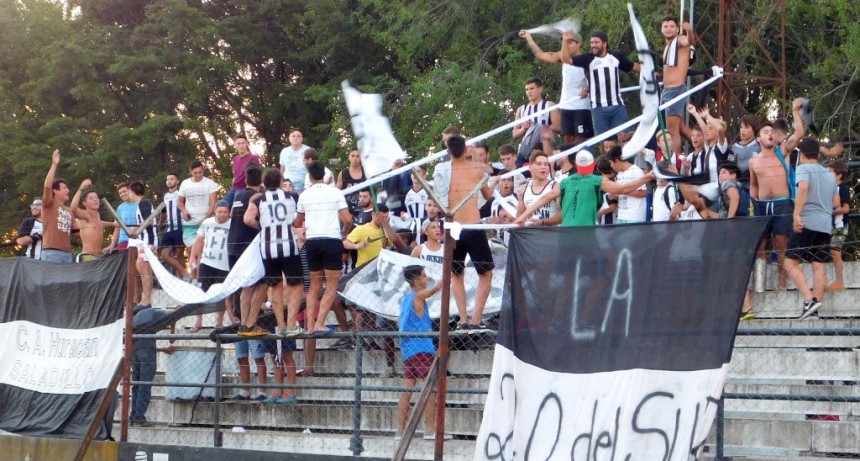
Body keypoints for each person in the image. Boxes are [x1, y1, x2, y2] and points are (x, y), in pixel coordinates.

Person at [293, 160, 353, 374]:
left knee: (314, 285)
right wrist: (343, 232)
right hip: (331, 239)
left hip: (313, 241)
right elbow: (348, 218)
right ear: (325, 175)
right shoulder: (335, 193)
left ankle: (310, 326)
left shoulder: (304, 195)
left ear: (309, 176)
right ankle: (319, 323)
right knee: (332, 285)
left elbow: (297, 222)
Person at [515, 150, 655, 227]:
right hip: (587, 232)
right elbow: (623, 189)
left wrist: (522, 217)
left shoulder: (566, 182)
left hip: (567, 232)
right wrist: (648, 177)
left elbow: (545, 197)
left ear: (577, 165)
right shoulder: (597, 180)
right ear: (592, 165)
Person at [243, 169, 305, 338]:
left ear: (264, 183)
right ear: (280, 182)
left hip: (268, 248)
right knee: (296, 285)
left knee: (275, 286)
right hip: (289, 247)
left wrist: (262, 226)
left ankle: (281, 326)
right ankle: (291, 325)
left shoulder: (258, 200)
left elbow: (248, 219)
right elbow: (297, 220)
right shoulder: (292, 197)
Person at [784, 138, 838, 319]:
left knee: (789, 262)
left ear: (802, 153)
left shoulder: (803, 168)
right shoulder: (830, 175)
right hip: (825, 224)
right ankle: (814, 310)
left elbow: (803, 188)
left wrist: (796, 214)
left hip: (806, 221)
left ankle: (809, 300)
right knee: (818, 264)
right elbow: (835, 202)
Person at [445, 135, 494, 329]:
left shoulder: (443, 170)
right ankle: (475, 320)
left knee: (457, 274)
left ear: (448, 151)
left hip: (453, 227)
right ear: (466, 150)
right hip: (472, 226)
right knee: (485, 273)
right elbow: (488, 195)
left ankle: (464, 319)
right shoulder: (476, 169)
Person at [396, 265, 447, 440]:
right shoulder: (418, 296)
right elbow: (433, 291)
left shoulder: (404, 299)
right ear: (416, 280)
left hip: (407, 349)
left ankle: (400, 430)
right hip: (422, 348)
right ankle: (430, 429)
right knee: (429, 388)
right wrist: (444, 280)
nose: (427, 278)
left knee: (407, 388)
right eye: (424, 276)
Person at [520, 30, 592, 145]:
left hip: (582, 106)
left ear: (578, 44)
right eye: (565, 42)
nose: (566, 46)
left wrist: (587, 90)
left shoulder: (587, 59)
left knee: (581, 140)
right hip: (566, 106)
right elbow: (541, 55)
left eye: (570, 43)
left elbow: (597, 80)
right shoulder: (561, 56)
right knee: (568, 140)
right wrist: (529, 37)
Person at [749, 119, 798, 291]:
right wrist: (752, 205)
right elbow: (753, 184)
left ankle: (782, 283)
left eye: (772, 131)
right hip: (762, 205)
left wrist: (795, 112)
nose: (770, 134)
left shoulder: (782, 151)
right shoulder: (753, 161)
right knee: (759, 244)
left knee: (781, 243)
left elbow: (799, 134)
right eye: (765, 132)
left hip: (782, 203)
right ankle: (759, 285)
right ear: (758, 139)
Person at [569, 31, 641, 137]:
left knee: (624, 137)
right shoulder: (587, 58)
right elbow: (566, 59)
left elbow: (634, 67)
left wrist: (653, 74)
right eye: (591, 42)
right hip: (598, 108)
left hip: (617, 106)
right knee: (605, 142)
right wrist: (565, 41)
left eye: (596, 42)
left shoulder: (615, 57)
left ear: (604, 44)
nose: (593, 45)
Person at [227, 164, 264, 334]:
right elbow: (250, 219)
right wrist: (261, 227)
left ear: (246, 180)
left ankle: (243, 321)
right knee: (256, 284)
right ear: (260, 180)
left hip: (232, 245)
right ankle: (249, 322)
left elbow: (231, 215)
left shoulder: (237, 194)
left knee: (243, 285)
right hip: (247, 246)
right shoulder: (258, 197)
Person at [189, 200, 236, 329]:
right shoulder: (207, 223)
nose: (222, 215)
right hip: (207, 262)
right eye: (220, 212)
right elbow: (199, 241)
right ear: (215, 210)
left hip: (225, 265)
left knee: (222, 294)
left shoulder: (233, 224)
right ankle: (198, 321)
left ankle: (219, 322)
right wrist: (193, 256)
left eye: (225, 212)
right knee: (201, 292)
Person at [130, 307, 175, 426]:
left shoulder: (135, 320)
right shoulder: (152, 312)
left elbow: (141, 345)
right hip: (147, 352)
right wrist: (172, 330)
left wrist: (162, 349)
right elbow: (172, 314)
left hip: (135, 352)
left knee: (136, 385)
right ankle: (139, 417)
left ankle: (133, 416)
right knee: (145, 385)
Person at [660, 16, 697, 153]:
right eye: (665, 26)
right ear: (661, 29)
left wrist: (689, 31)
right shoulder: (668, 46)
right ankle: (706, 146)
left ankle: (673, 161)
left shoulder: (679, 39)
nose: (668, 29)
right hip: (667, 90)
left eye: (671, 26)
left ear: (677, 29)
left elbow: (689, 41)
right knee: (680, 128)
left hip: (675, 90)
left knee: (672, 131)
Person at [512, 77, 561, 167]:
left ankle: (548, 165)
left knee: (541, 129)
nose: (528, 92)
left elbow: (559, 128)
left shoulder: (549, 105)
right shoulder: (521, 109)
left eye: (531, 88)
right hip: (527, 147)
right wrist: (523, 129)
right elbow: (514, 134)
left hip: (546, 144)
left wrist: (540, 128)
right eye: (527, 89)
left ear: (540, 89)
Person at [40, 149, 76, 263]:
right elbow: (47, 186)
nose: (68, 190)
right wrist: (54, 164)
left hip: (67, 254)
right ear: (55, 191)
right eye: (64, 188)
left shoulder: (69, 211)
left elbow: (77, 229)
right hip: (51, 253)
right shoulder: (48, 204)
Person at [178, 160, 220, 252]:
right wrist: (184, 211)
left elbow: (213, 204)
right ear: (190, 171)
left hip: (205, 223)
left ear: (203, 170)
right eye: (195, 173)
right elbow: (180, 202)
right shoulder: (185, 183)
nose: (198, 175)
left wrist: (205, 219)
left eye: (200, 172)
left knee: (204, 252)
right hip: (189, 224)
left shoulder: (210, 183)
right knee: (192, 253)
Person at [129, 180, 158, 311]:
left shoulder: (144, 203)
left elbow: (149, 220)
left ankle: (146, 301)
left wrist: (136, 229)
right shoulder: (141, 204)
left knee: (144, 269)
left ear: (132, 192)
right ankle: (145, 300)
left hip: (148, 241)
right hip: (144, 240)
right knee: (141, 268)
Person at [69, 179, 115, 261]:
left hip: (98, 258)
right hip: (87, 256)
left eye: (96, 198)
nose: (95, 200)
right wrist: (80, 189)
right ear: (84, 203)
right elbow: (73, 208)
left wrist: (113, 224)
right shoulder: (85, 215)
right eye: (91, 198)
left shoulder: (97, 216)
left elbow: (99, 224)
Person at [517, 151, 560, 226]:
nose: (543, 167)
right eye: (539, 164)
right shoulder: (523, 189)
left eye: (546, 164)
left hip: (551, 231)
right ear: (530, 167)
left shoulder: (555, 187)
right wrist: (525, 221)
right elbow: (520, 214)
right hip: (531, 231)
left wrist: (543, 222)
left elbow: (563, 215)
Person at [606, 146, 648, 223]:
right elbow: (621, 192)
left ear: (617, 161)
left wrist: (622, 191)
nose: (611, 166)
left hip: (635, 216)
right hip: (621, 215)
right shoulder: (619, 174)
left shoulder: (636, 171)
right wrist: (615, 195)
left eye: (611, 163)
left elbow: (643, 193)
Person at [827, 161, 850, 290]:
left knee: (835, 251)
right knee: (831, 251)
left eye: (829, 172)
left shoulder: (843, 189)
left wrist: (830, 211)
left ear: (838, 175)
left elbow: (846, 208)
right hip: (829, 225)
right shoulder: (828, 189)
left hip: (839, 225)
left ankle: (840, 282)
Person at [159, 172, 187, 277]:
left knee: (180, 254)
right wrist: (160, 223)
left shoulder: (181, 194)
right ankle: (184, 274)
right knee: (164, 254)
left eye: (172, 179)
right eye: (167, 179)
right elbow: (163, 211)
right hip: (169, 228)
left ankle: (183, 279)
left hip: (180, 227)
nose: (169, 181)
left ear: (177, 181)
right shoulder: (165, 196)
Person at [226, 134, 261, 205]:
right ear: (235, 145)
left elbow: (256, 176)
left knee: (235, 208)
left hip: (244, 189)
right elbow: (235, 175)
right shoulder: (235, 159)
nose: (241, 146)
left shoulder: (253, 158)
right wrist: (232, 187)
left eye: (243, 143)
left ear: (247, 143)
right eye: (238, 143)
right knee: (222, 206)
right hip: (233, 189)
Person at [731, 115, 761, 191]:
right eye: (741, 127)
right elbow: (729, 165)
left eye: (746, 127)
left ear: (754, 129)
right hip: (739, 185)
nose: (743, 130)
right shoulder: (733, 148)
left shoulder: (760, 146)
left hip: (758, 185)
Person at [280, 127, 311, 193]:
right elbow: (282, 169)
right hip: (287, 184)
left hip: (303, 184)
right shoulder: (284, 151)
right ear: (289, 138)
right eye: (293, 136)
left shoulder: (308, 151)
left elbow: (312, 168)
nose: (296, 138)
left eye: (298, 136)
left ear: (302, 139)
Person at [337, 148, 366, 215]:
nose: (355, 158)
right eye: (352, 156)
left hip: (364, 211)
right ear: (349, 157)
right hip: (348, 211)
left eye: (357, 156)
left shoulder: (366, 172)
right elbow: (337, 193)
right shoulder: (343, 173)